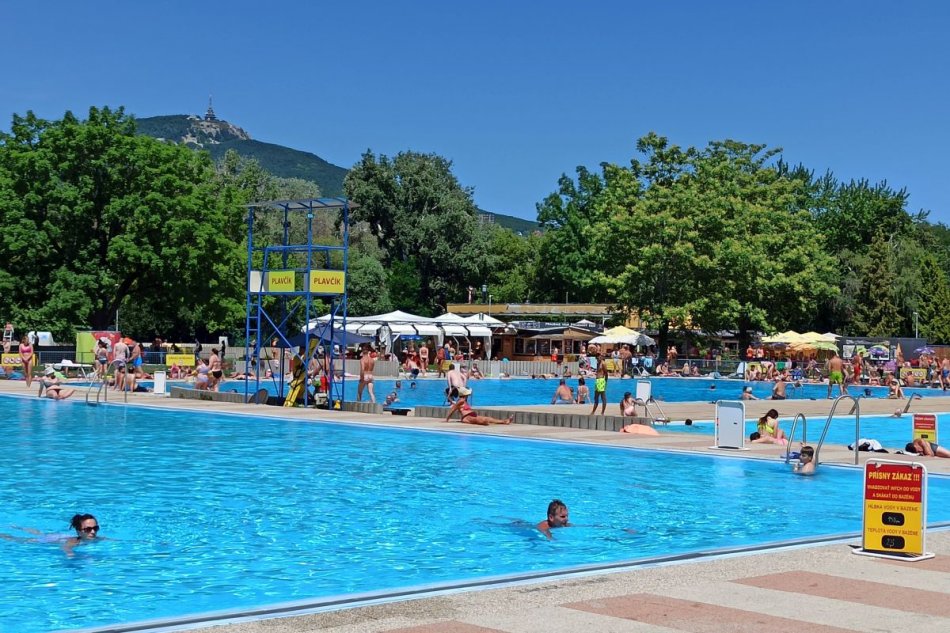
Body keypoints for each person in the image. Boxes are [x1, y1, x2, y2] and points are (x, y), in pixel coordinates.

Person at [444, 386, 513, 426]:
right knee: (483, 420)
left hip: (472, 416)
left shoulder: (465, 400)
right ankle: (484, 422)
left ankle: (504, 421)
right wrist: (447, 419)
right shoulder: (461, 401)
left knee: (488, 418)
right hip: (467, 417)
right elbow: (453, 409)